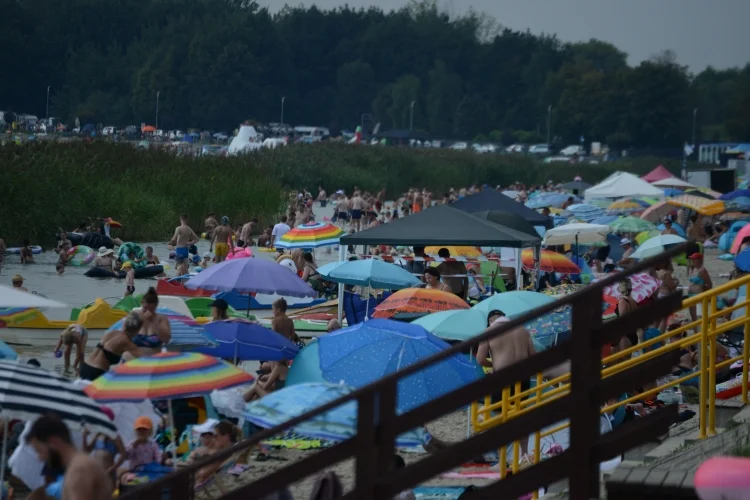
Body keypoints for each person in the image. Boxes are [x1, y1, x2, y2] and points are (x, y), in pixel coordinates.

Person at [475, 311, 535, 455]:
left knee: (498, 417)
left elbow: (480, 359)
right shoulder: (523, 331)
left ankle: (501, 458)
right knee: (520, 415)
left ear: (490, 321)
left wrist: (493, 363)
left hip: (502, 377)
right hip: (522, 377)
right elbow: (533, 357)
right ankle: (524, 454)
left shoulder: (488, 332)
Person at [26, 415, 112, 500]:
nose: (40, 458)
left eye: (39, 451)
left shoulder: (79, 470)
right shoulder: (77, 466)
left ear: (53, 442)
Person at [80, 312, 142, 380]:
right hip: (97, 372)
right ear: (137, 330)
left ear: (124, 324)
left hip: (85, 366)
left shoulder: (112, 332)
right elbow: (145, 358)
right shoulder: (127, 343)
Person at [612, 279, 639, 357]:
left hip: (624, 336)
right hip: (632, 334)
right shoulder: (633, 301)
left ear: (621, 288)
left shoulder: (623, 300)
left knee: (621, 362)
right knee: (627, 363)